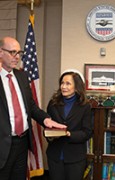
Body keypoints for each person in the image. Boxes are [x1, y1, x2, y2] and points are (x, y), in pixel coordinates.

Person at [0, 36, 67, 180]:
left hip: (22, 142)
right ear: (0, 52)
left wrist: (46, 120)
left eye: (19, 53)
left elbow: (30, 106)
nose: (17, 57)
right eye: (12, 52)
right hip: (2, 143)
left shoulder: (22, 76)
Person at [46, 71, 93, 180]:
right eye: (62, 83)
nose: (63, 86)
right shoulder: (53, 103)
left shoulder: (85, 106)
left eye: (68, 84)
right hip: (55, 156)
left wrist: (69, 134)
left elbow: (87, 132)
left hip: (75, 157)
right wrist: (50, 135)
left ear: (76, 87)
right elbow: (47, 125)